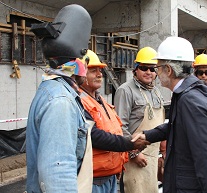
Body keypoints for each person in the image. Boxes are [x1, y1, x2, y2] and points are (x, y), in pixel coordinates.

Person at [133, 36, 207, 193]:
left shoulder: (190, 101)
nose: (156, 72)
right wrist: (148, 136)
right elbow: (179, 126)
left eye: (158, 67)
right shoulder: (186, 93)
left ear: (168, 70)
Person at [26, 5, 93, 193]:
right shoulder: (61, 101)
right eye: (86, 63)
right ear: (79, 63)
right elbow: (58, 173)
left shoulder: (51, 88)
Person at [79, 50, 150, 193]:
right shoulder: (79, 101)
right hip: (93, 180)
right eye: (93, 71)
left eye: (100, 71)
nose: (100, 75)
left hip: (109, 176)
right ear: (80, 73)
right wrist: (130, 145)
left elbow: (115, 129)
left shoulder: (100, 101)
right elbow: (94, 136)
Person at [114, 46, 165, 193]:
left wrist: (163, 152)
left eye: (152, 69)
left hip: (153, 158)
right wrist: (134, 153)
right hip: (133, 159)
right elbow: (119, 126)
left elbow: (160, 125)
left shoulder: (155, 91)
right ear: (135, 70)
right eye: (144, 68)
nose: (148, 72)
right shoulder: (125, 91)